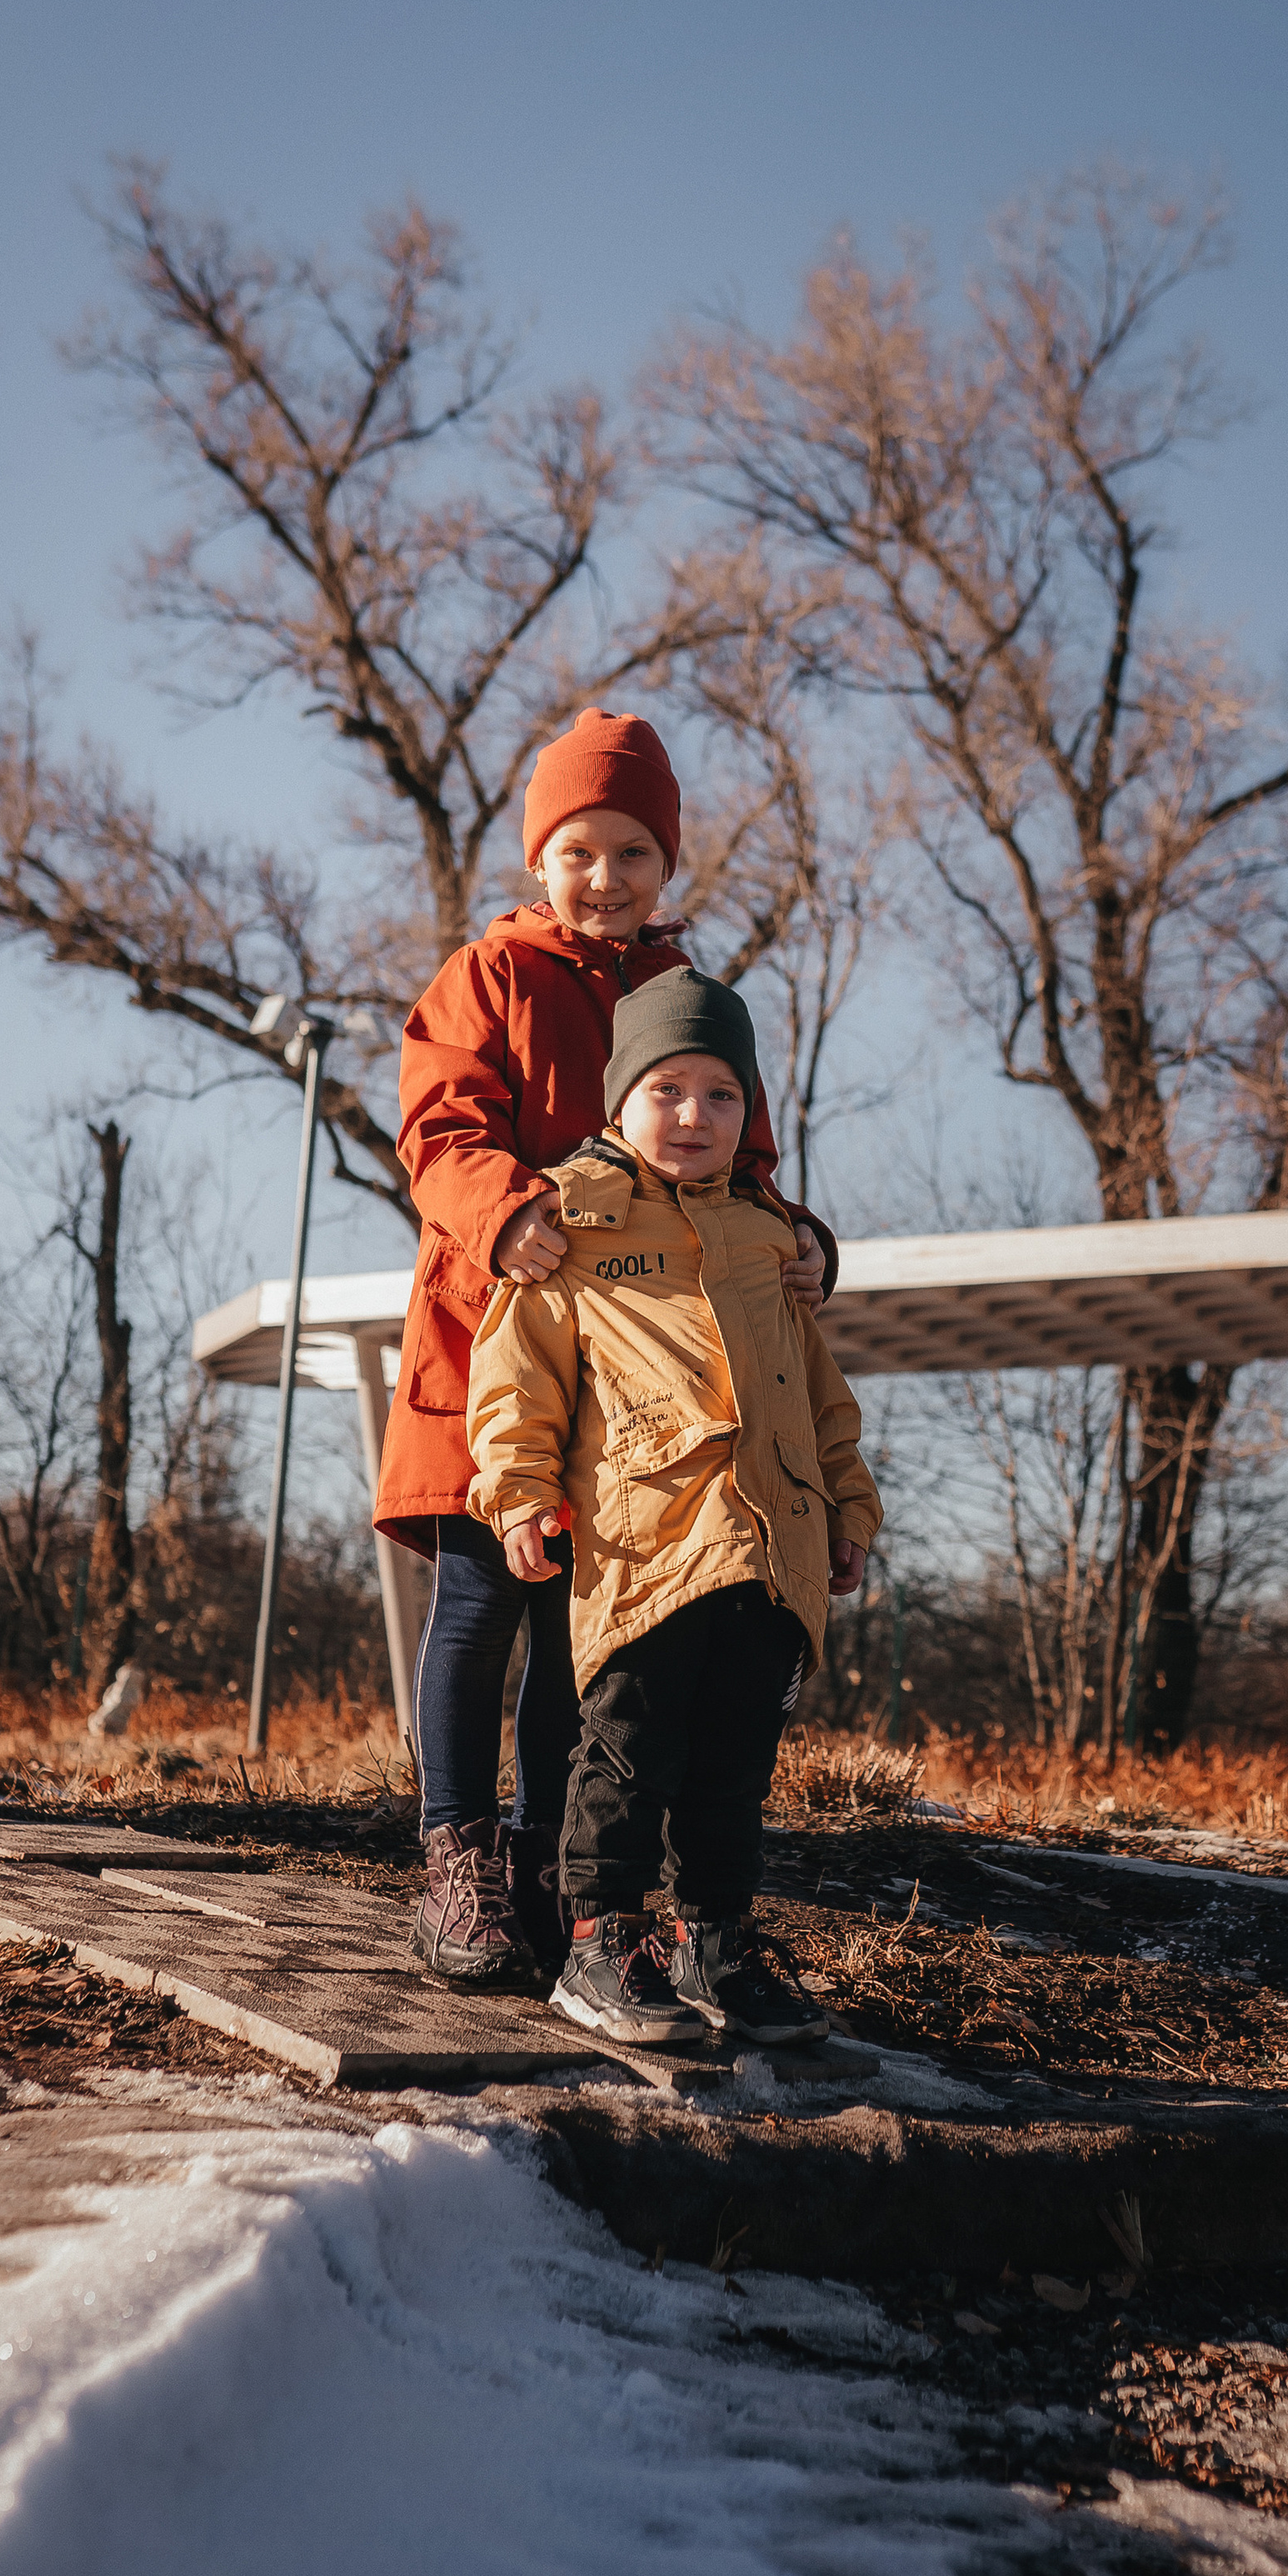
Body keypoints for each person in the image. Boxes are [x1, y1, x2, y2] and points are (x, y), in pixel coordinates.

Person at [376, 707, 834, 1989]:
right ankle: (459, 1850)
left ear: (666, 866)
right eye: (582, 848)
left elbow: (743, 1167)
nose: (608, 875)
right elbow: (441, 1132)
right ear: (540, 858)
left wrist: (802, 1243)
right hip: (492, 1341)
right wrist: (510, 1211)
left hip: (637, 1396)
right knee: (479, 1608)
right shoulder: (486, 977)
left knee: (588, 1631)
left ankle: (541, 1859)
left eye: (635, 850)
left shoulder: (681, 998)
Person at [465, 969, 881, 2047]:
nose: (694, 1117)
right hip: (646, 1549)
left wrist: (848, 1509)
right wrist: (516, 1495)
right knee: (628, 1750)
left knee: (737, 1765)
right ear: (620, 1102)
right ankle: (598, 1944)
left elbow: (818, 1389)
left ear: (749, 1110)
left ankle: (717, 1948)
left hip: (769, 1553)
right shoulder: (576, 1221)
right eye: (668, 1091)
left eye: (721, 1095)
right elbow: (517, 1375)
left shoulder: (768, 1236)